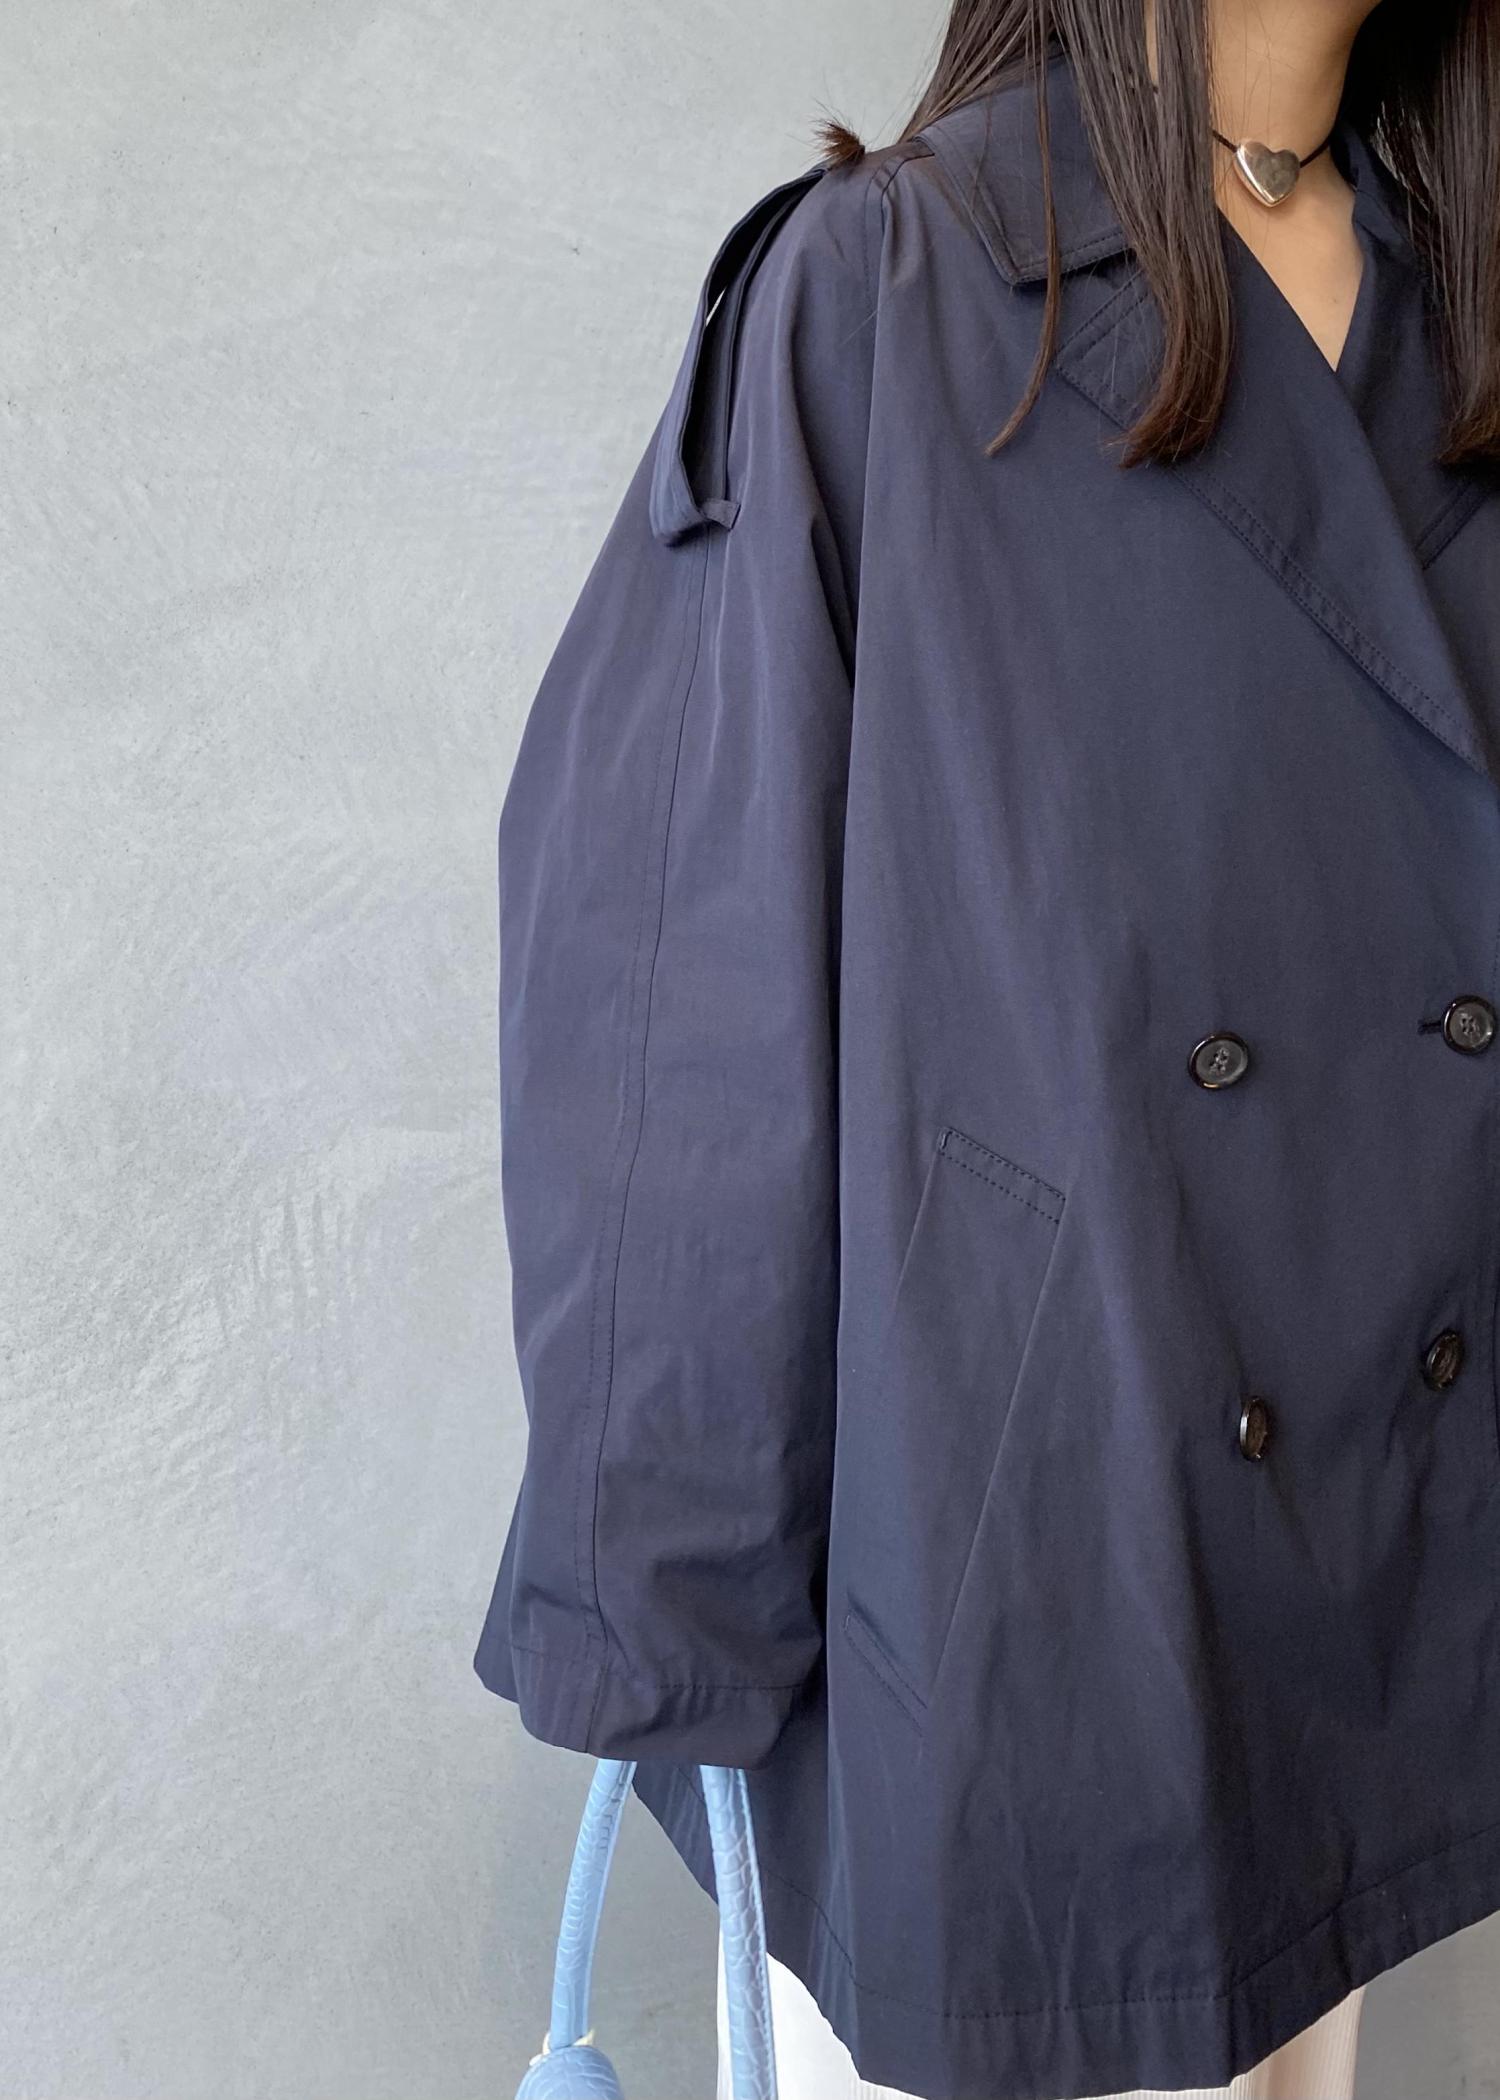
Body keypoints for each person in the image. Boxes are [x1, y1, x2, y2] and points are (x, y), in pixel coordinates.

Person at [476, 0, 1500, 2094]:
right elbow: (677, 977)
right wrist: (661, 1595)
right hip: (1038, 1610)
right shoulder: (892, 292)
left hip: (1388, 1595)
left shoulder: (1459, 306)